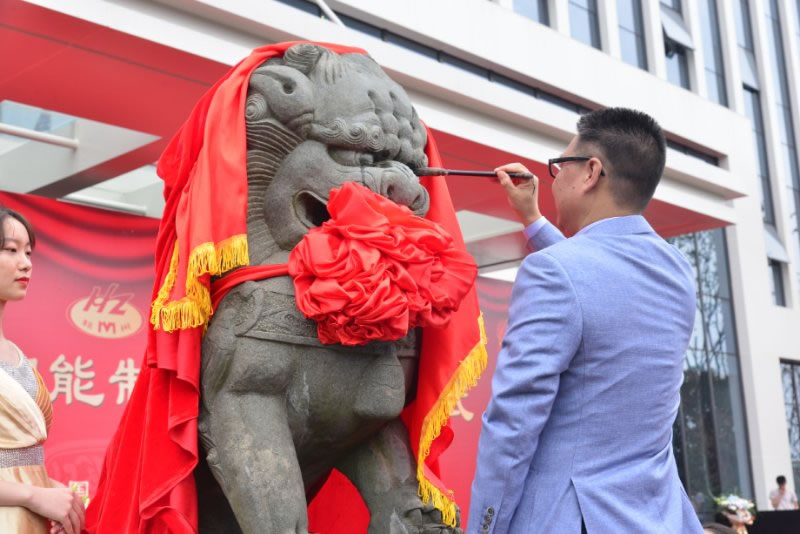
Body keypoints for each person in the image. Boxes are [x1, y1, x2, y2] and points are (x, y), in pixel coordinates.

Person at [467, 108, 702, 533]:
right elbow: (597, 281)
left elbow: (514, 425)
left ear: (592, 172)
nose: (555, 178)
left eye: (561, 165)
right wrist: (534, 220)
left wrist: (485, 527)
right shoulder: (677, 273)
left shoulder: (555, 272)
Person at [0, 207, 85, 534]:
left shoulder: (16, 354)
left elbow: (20, 461)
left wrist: (52, 492)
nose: (26, 263)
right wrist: (35, 495)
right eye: (11, 250)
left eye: (28, 252)